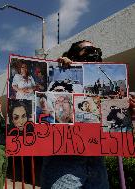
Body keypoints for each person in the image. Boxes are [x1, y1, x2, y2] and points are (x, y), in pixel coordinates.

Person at [41, 40, 110, 189]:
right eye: (88, 50)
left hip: (96, 162)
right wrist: (61, 70)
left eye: (96, 50)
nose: (94, 54)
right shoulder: (58, 78)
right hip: (64, 164)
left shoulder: (101, 83)